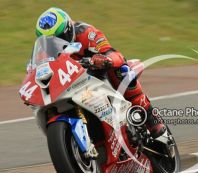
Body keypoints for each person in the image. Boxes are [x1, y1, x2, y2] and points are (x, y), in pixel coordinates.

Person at [35, 7, 165, 138]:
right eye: (50, 42)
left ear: (68, 29)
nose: (56, 44)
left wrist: (105, 59)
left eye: (60, 38)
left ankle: (150, 117)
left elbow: (113, 54)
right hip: (71, 83)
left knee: (123, 70)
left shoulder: (86, 33)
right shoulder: (43, 52)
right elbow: (37, 71)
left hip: (98, 73)